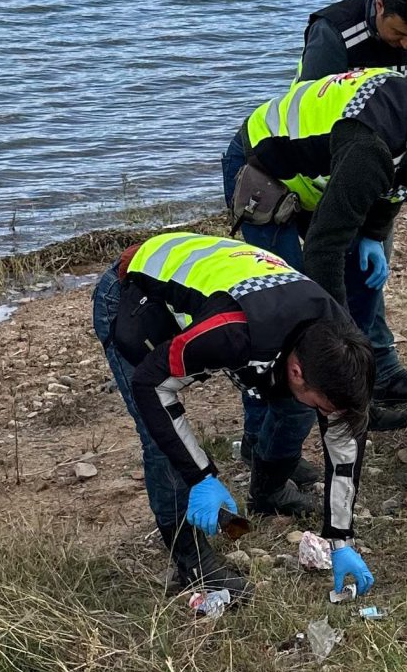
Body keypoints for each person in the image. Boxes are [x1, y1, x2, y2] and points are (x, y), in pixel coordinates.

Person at [93, 230, 374, 603]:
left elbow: (343, 444)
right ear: (295, 371)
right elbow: (151, 386)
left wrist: (340, 539)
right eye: (325, 406)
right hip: (135, 290)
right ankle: (192, 563)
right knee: (163, 440)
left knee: (296, 405)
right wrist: (201, 476)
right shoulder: (233, 335)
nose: (328, 416)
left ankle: (268, 490)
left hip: (232, 286)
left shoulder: (339, 343)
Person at [223, 75, 407, 457]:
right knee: (282, 304)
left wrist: (373, 233)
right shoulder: (370, 149)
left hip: (320, 172)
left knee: (361, 281)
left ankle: (360, 399)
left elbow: (401, 179)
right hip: (262, 164)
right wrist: (338, 335)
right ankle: (260, 442)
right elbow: (323, 248)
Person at [296, 0, 407, 408]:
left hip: (387, 164)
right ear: (380, 6)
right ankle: (341, 373)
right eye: (400, 33)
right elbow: (314, 117)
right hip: (316, 166)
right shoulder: (334, 35)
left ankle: (375, 370)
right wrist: (357, 217)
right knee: (329, 262)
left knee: (370, 270)